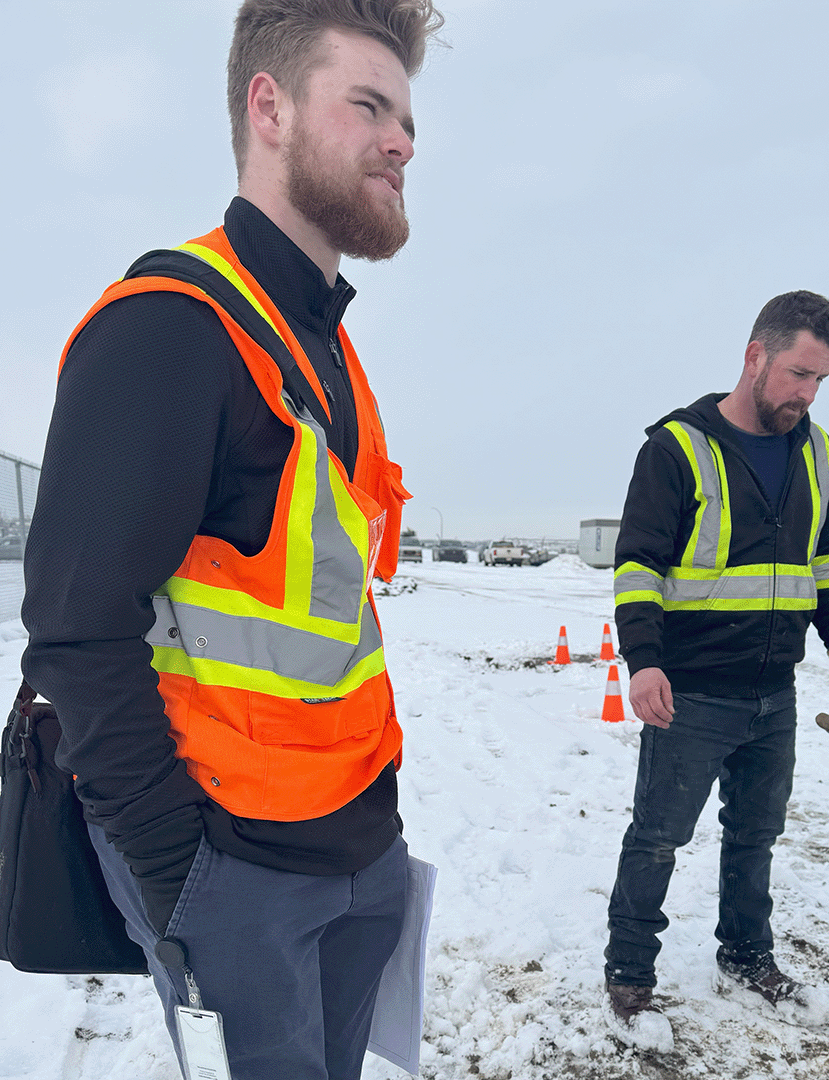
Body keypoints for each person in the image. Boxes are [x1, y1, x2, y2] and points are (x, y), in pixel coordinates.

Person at [21, 1, 443, 1076]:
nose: (404, 139)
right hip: (234, 870)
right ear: (270, 107)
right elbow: (76, 631)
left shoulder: (326, 351)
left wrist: (379, 840)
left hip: (360, 845)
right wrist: (178, 879)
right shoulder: (168, 327)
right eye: (369, 105)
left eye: (407, 115)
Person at [603, 291, 829, 1047]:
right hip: (689, 690)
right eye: (797, 373)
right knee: (658, 836)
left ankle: (746, 954)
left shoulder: (817, 452)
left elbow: (828, 568)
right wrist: (644, 662)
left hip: (773, 692)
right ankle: (629, 974)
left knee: (755, 836)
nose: (806, 394)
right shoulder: (676, 449)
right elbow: (638, 566)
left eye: (820, 380)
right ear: (754, 355)